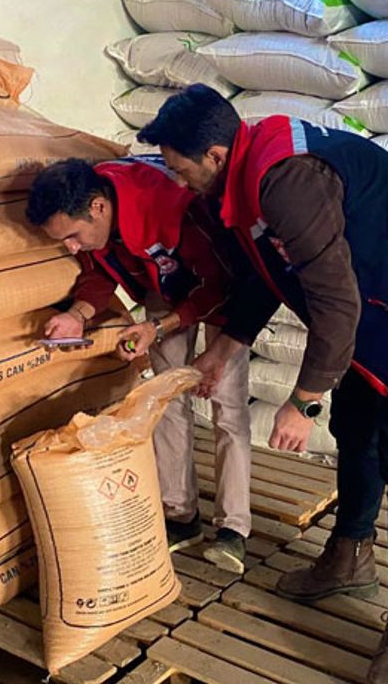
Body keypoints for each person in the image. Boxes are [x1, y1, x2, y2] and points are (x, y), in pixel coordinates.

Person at [137, 85, 388, 684]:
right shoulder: (245, 178)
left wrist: (303, 401)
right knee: (355, 428)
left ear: (216, 155)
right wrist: (225, 348)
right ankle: (349, 557)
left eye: (181, 170)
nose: (179, 182)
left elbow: (334, 302)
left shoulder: (287, 180)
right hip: (376, 301)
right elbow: (268, 273)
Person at [25, 155, 254, 574]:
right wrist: (77, 314)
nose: (70, 248)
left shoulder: (173, 207)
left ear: (98, 208)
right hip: (162, 285)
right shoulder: (97, 215)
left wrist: (160, 327)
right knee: (164, 398)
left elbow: (215, 287)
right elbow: (98, 274)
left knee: (226, 402)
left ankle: (233, 529)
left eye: (73, 236)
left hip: (222, 283)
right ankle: (180, 514)